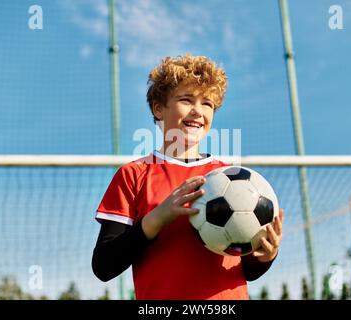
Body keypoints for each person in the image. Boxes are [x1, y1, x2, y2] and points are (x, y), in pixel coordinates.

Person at [92, 54, 284, 300]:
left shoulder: (231, 176)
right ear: (158, 108)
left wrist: (265, 256)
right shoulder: (133, 175)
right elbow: (104, 266)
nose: (198, 111)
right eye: (186, 99)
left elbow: (245, 270)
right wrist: (157, 218)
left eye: (207, 103)